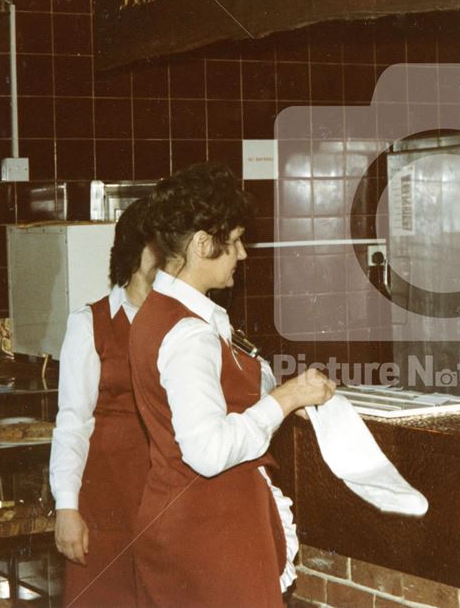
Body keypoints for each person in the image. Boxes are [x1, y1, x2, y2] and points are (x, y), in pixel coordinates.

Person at [128, 162, 335, 607]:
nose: (242, 254)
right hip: (210, 537)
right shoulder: (189, 332)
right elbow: (208, 450)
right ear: (203, 244)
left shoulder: (166, 311)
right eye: (236, 241)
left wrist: (277, 402)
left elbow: (208, 402)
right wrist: (284, 397)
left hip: (186, 527)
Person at [50, 197, 157, 607]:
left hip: (168, 496)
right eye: (159, 244)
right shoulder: (89, 323)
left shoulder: (190, 322)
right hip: (107, 500)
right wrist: (67, 508)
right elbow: (72, 422)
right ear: (133, 249)